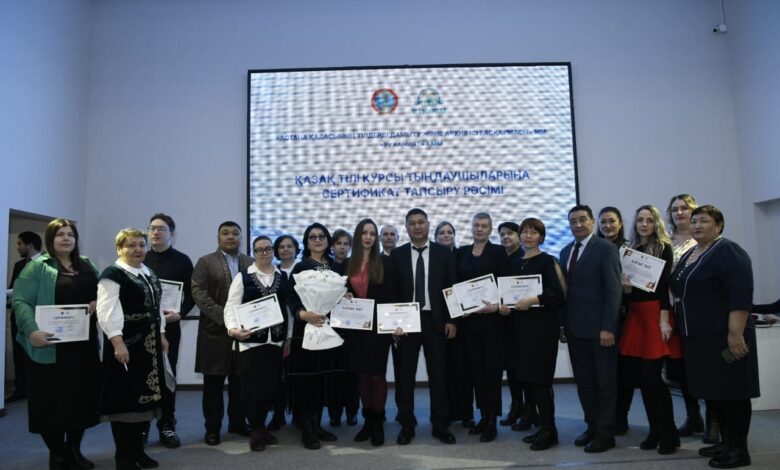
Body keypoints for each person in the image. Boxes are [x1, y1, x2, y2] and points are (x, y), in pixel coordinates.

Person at [670, 205, 758, 468]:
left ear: (718, 226)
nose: (697, 225)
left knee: (733, 392)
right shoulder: (692, 253)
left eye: (704, 221)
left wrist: (735, 334)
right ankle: (725, 443)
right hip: (699, 338)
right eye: (694, 221)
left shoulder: (728, 252)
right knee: (715, 393)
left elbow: (740, 295)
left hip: (725, 336)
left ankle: (739, 450)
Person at [12, 220, 100, 470]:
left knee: (81, 401)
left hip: (83, 347)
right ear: (50, 239)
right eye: (60, 234)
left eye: (70, 234)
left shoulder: (86, 264)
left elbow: (104, 292)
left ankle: (74, 450)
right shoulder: (37, 267)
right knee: (51, 403)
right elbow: (20, 301)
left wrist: (98, 301)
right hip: (49, 346)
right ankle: (58, 453)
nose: (66, 238)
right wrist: (31, 330)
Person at [97, 228, 171, 470]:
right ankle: (124, 458)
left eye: (141, 244)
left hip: (148, 347)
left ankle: (138, 452)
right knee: (126, 404)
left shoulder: (147, 272)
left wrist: (161, 334)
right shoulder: (113, 275)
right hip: (127, 347)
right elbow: (106, 312)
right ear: (119, 249)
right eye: (131, 245)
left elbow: (157, 307)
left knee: (145, 402)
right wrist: (118, 343)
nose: (138, 249)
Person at [389, 208, 457, 445]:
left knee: (439, 375)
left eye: (421, 222)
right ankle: (407, 425)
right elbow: (392, 291)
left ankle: (440, 425)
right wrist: (393, 324)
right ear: (406, 227)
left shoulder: (443, 253)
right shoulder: (396, 255)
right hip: (406, 322)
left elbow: (451, 287)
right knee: (405, 376)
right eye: (412, 223)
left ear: (428, 225)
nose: (417, 226)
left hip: (435, 321)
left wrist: (452, 320)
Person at [559, 204, 622, 453]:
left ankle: (606, 434)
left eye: (582, 219)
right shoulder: (565, 251)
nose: (577, 224)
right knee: (585, 383)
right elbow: (566, 293)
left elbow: (614, 290)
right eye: (573, 221)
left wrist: (609, 327)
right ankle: (592, 427)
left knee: (605, 383)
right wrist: (563, 325)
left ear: (592, 221)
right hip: (575, 329)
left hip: (600, 331)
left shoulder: (605, 248)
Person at [618, 205, 681, 454]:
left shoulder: (662, 247)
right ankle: (655, 431)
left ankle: (669, 434)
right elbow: (630, 293)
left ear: (656, 223)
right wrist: (625, 288)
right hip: (636, 315)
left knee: (654, 380)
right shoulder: (630, 250)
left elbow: (664, 286)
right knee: (644, 381)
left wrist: (664, 319)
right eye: (640, 220)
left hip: (655, 314)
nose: (644, 224)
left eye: (649, 220)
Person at [499, 218, 566, 450]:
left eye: (533, 232)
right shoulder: (515, 263)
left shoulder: (548, 261)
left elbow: (558, 294)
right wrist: (505, 307)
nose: (528, 236)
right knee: (527, 380)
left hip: (541, 331)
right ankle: (542, 427)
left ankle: (550, 431)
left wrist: (533, 299)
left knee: (540, 382)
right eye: (525, 232)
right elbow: (508, 295)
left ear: (541, 237)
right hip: (519, 331)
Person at [223, 235, 290, 452]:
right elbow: (231, 307)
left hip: (275, 342)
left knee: (269, 389)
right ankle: (256, 430)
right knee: (252, 390)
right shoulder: (243, 277)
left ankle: (261, 426)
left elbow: (287, 310)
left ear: (273, 251)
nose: (264, 253)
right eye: (259, 249)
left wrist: (288, 337)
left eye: (268, 249)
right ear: (254, 252)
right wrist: (233, 329)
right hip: (250, 343)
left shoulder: (282, 276)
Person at [191, 221, 254, 446]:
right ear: (218, 237)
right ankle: (213, 429)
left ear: (241, 237)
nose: (230, 237)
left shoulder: (251, 263)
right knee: (213, 385)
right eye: (225, 233)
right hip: (214, 333)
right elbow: (199, 294)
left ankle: (237, 423)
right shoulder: (205, 262)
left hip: (245, 333)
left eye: (235, 233)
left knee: (241, 383)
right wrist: (228, 319)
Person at [287, 223, 344, 450]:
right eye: (312, 237)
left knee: (323, 380)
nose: (318, 240)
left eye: (321, 236)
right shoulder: (300, 267)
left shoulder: (336, 267)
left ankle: (318, 424)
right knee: (307, 381)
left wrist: (346, 296)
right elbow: (291, 298)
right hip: (306, 330)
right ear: (306, 242)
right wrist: (303, 314)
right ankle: (307, 429)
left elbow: (340, 297)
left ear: (328, 240)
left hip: (329, 331)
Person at [339, 218, 396, 446]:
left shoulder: (385, 262)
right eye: (364, 232)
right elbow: (339, 293)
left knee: (376, 375)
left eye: (372, 233)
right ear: (358, 235)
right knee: (361, 375)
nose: (369, 237)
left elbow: (391, 296)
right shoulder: (346, 264)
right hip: (355, 329)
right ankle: (368, 421)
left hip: (378, 329)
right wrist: (343, 296)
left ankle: (378, 422)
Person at [454, 212, 509, 442]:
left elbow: (505, 283)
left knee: (491, 373)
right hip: (468, 324)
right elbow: (455, 285)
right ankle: (483, 416)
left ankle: (492, 420)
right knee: (476, 372)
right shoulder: (461, 252)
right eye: (476, 225)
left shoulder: (498, 252)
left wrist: (496, 306)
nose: (479, 229)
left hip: (491, 323)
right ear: (471, 227)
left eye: (484, 226)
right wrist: (459, 306)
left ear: (490, 229)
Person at [143, 213, 194, 448]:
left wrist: (180, 313)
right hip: (141, 328)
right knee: (143, 377)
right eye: (152, 228)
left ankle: (167, 425)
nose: (155, 232)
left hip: (170, 327)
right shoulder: (139, 257)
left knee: (167, 376)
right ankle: (142, 425)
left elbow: (192, 294)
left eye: (161, 229)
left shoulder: (182, 261)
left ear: (171, 233)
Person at [666, 194, 710, 440]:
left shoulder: (705, 241)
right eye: (675, 209)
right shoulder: (665, 240)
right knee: (680, 369)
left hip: (698, 313)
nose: (680, 212)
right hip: (672, 312)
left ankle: (713, 420)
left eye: (685, 208)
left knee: (703, 367)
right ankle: (693, 416)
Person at [596, 206, 632, 435]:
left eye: (612, 221)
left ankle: (621, 416)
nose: (608, 226)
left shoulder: (631, 250)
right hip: (600, 319)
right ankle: (607, 417)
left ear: (620, 223)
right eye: (603, 222)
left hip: (627, 318)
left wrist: (628, 289)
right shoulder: (592, 249)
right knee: (605, 373)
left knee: (624, 372)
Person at [496, 221, 535, 431]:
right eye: (502, 234)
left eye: (510, 233)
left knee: (525, 368)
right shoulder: (500, 258)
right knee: (511, 367)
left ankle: (530, 410)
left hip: (525, 322)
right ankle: (517, 406)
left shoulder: (525, 258)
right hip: (505, 322)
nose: (505, 237)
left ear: (519, 236)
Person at [327, 229, 359, 426]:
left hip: (352, 326)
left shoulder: (355, 266)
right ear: (332, 246)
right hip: (331, 326)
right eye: (338, 243)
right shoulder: (326, 268)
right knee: (333, 371)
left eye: (346, 244)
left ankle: (352, 411)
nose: (342, 247)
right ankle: (334, 412)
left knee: (351, 371)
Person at [6, 231, 43, 403]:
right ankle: (21, 389)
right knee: (19, 354)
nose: (18, 247)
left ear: (30, 245)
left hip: (39, 318)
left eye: (20, 244)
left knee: (37, 354)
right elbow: (13, 289)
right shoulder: (19, 265)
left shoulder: (48, 264)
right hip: (18, 317)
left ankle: (37, 388)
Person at [270, 234, 301, 430]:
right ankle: (279, 414)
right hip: (278, 331)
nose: (286, 249)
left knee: (298, 375)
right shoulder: (272, 272)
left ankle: (299, 415)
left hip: (300, 329)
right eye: (282, 247)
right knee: (278, 376)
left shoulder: (304, 269)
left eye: (290, 246)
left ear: (296, 249)